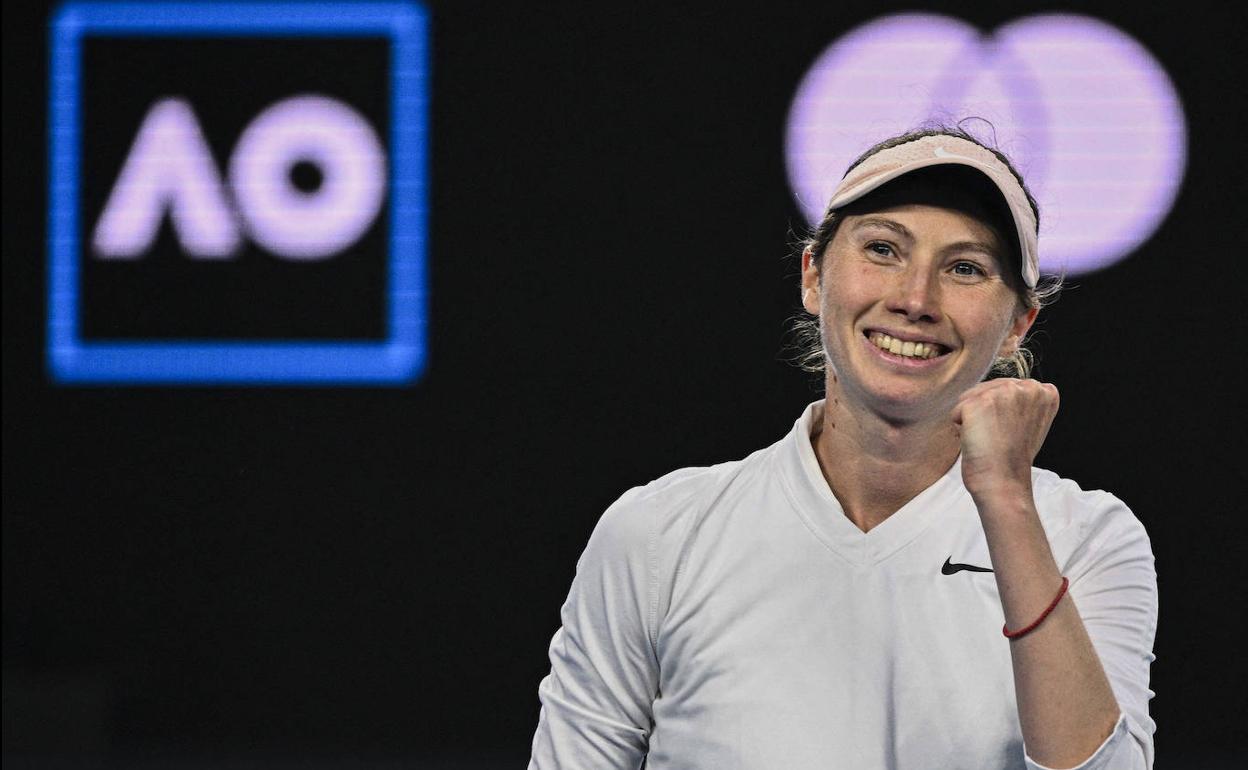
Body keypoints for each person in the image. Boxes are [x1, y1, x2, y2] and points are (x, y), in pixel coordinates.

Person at [528, 127, 1157, 769]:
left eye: (965, 268)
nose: (915, 300)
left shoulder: (1087, 538)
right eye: (882, 249)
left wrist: (1005, 500)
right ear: (812, 276)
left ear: (1016, 325)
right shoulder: (658, 535)